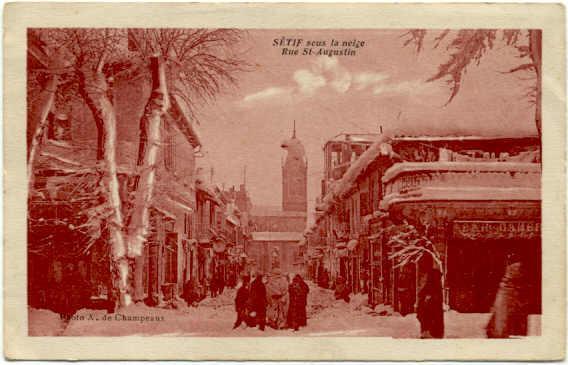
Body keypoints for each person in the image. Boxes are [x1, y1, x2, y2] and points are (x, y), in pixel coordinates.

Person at [486, 252, 528, 338]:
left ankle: (498, 330)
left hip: (508, 288)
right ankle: (498, 331)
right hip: (508, 288)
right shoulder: (515, 267)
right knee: (502, 310)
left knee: (503, 310)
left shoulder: (514, 267)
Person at [416, 263, 444, 339]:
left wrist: (428, 297)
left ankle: (428, 332)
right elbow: (422, 293)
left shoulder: (434, 284)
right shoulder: (434, 284)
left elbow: (422, 293)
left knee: (429, 319)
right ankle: (429, 332)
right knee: (429, 319)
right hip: (430, 307)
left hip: (431, 307)